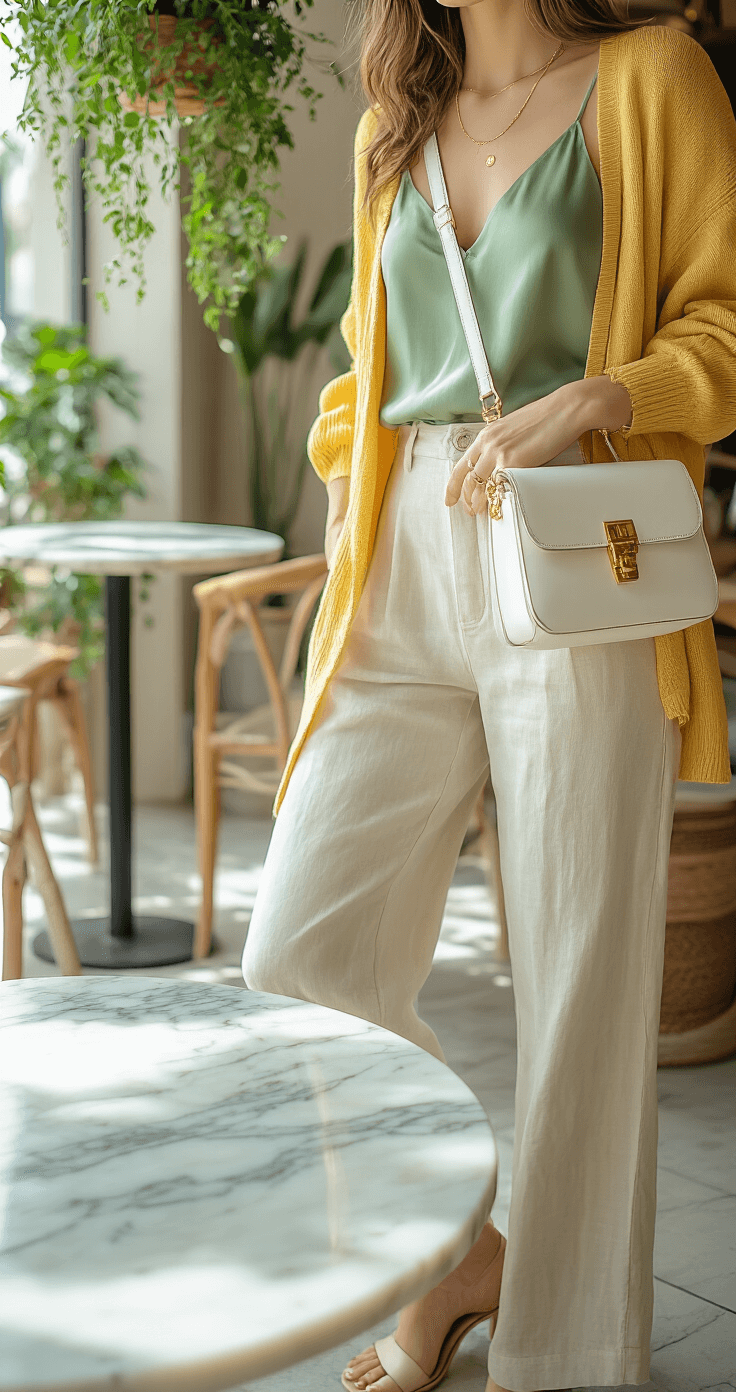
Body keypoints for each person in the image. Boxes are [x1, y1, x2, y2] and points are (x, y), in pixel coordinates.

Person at [242, 2, 736, 1389]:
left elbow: (728, 318)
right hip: (398, 553)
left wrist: (603, 397)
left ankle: (570, 1357)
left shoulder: (653, 78)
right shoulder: (397, 123)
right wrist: (353, 510)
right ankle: (459, 1253)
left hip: (578, 545)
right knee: (298, 956)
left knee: (584, 975)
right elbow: (366, 363)